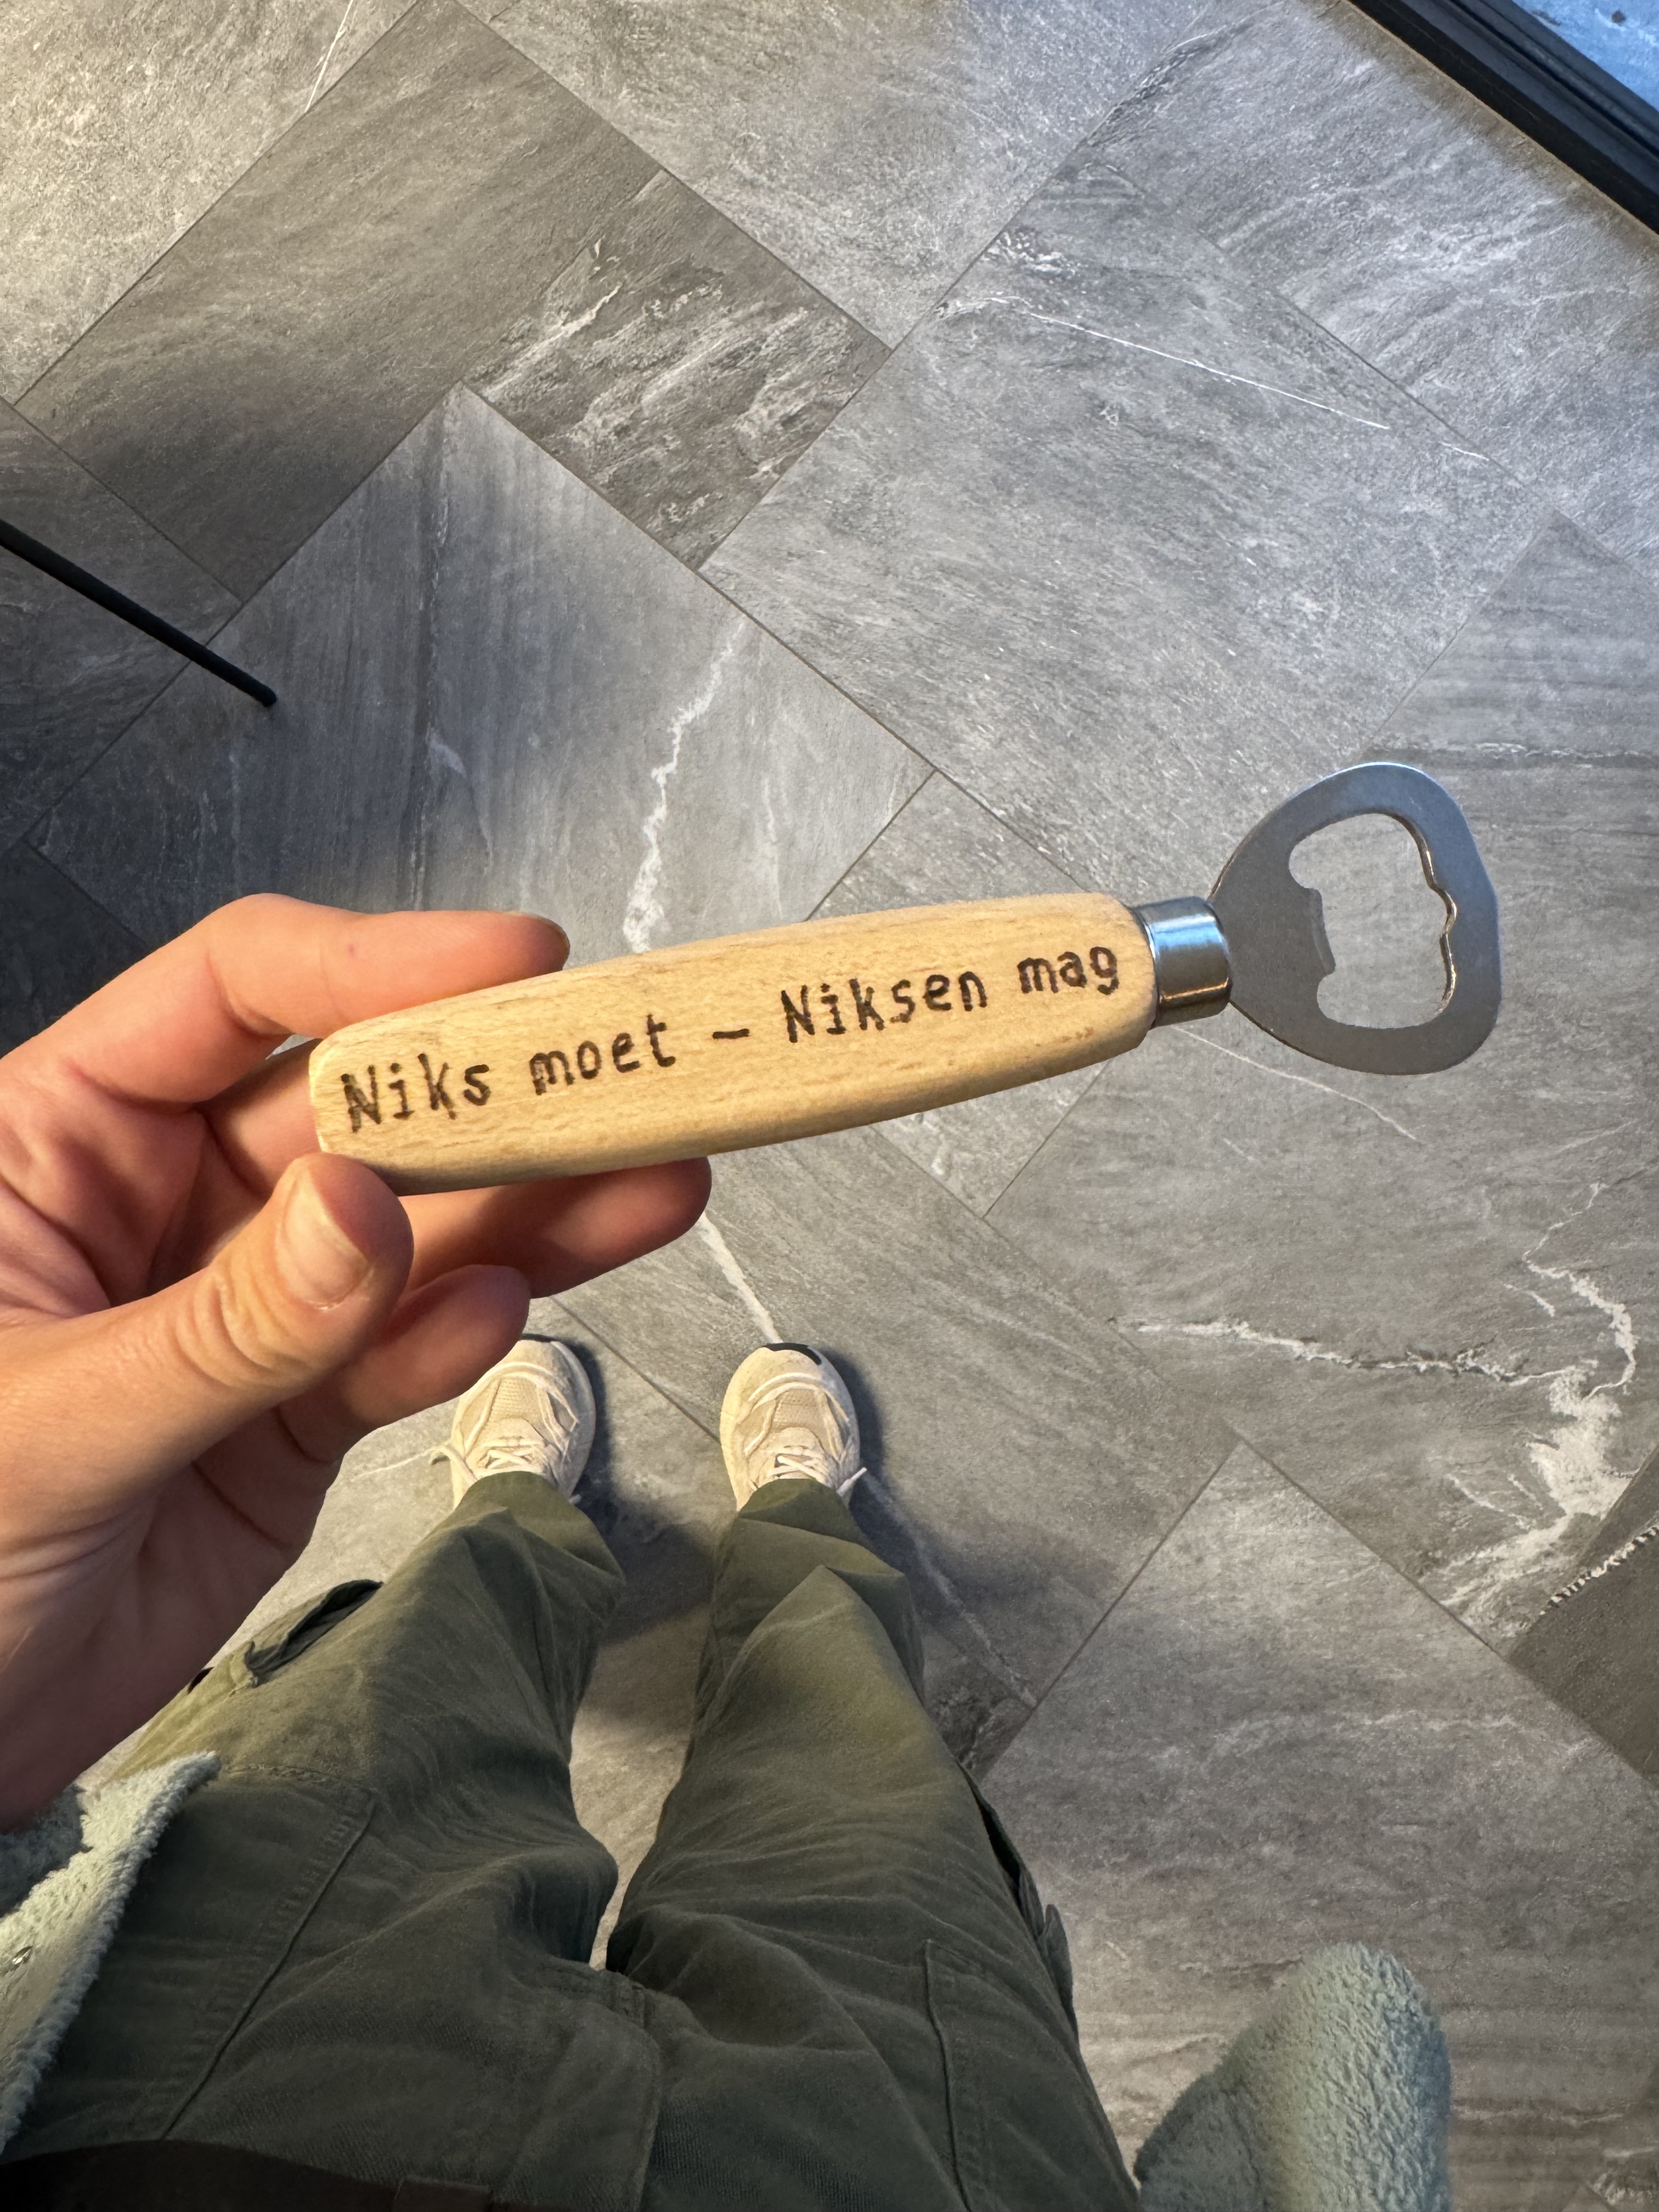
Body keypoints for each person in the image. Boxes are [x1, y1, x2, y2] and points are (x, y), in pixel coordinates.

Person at [0, 895, 1139, 2210]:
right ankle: (796, 1524)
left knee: (433, 1645)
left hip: (152, 2069)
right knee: (848, 1749)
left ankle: (513, 1504)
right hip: (901, 2164)